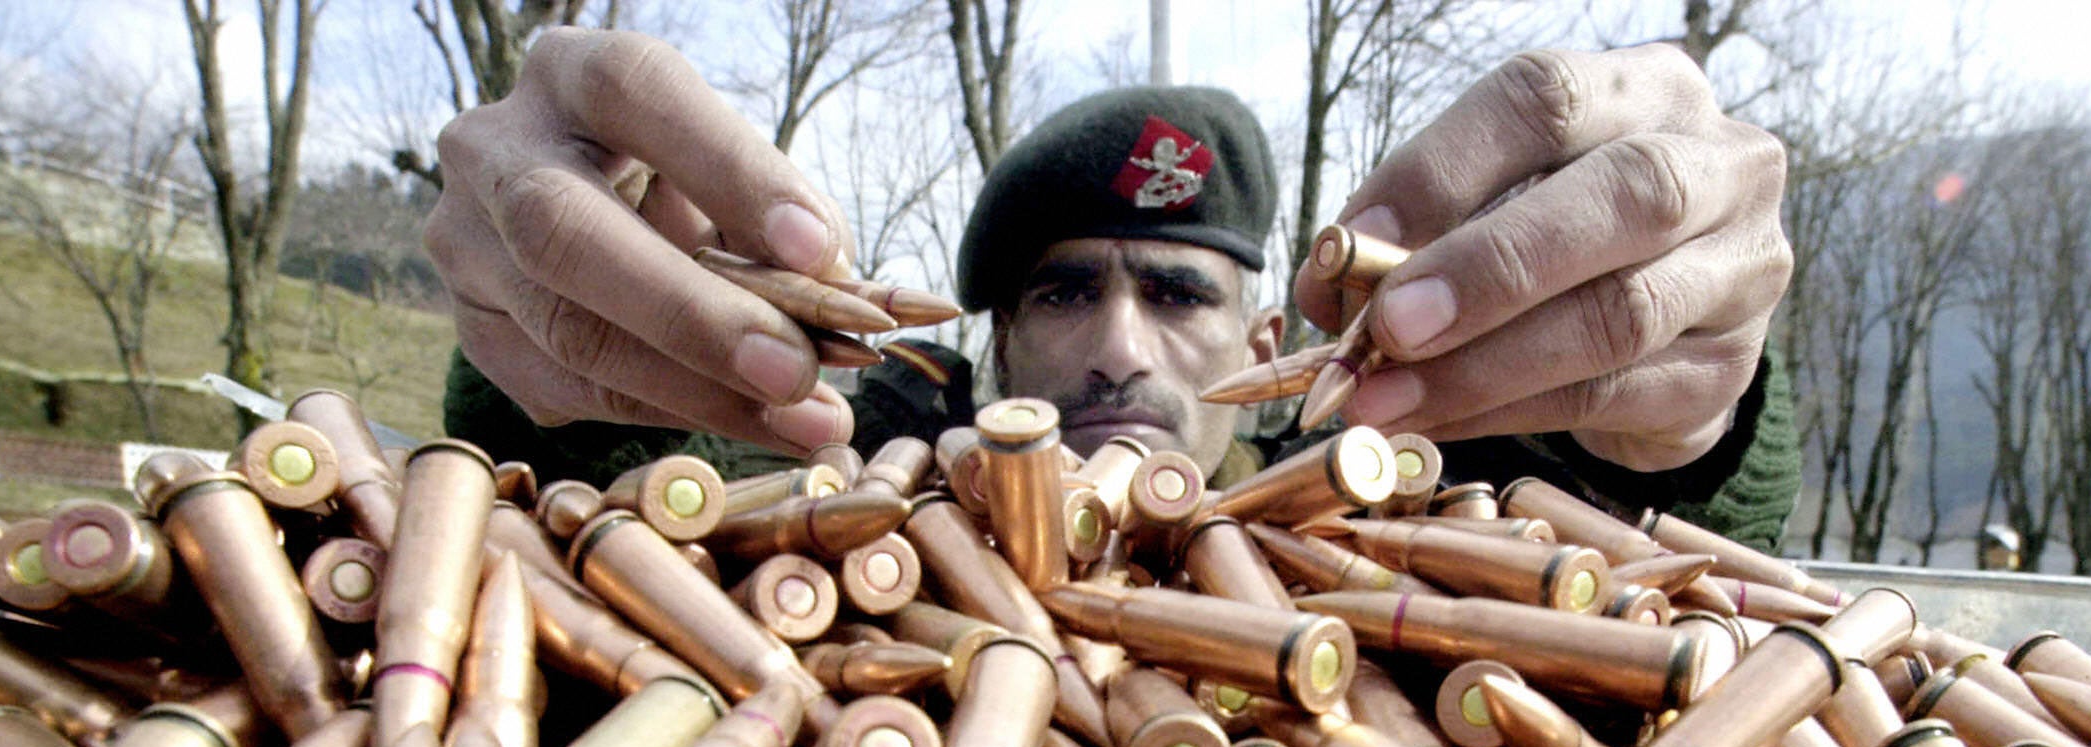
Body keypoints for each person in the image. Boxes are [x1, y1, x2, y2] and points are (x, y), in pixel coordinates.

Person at [425, 28, 1798, 547]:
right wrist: (564, 317)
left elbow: (1630, 512)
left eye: (1180, 295)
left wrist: (1680, 420)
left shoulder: (1383, 496)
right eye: (1065, 293)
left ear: (1273, 338)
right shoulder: (872, 481)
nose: (1118, 351)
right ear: (998, 344)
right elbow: (603, 475)